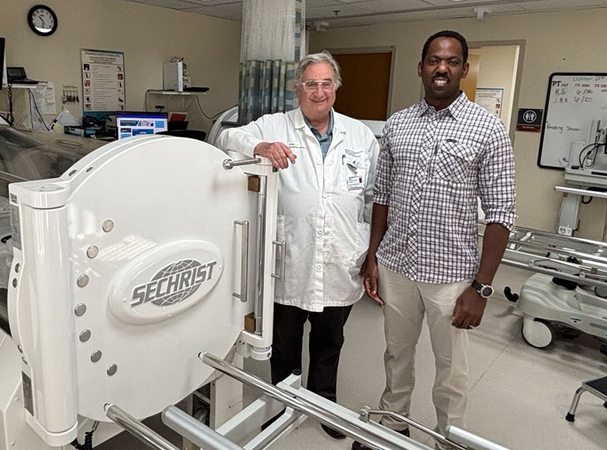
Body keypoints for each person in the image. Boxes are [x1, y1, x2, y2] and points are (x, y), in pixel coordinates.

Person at [353, 30, 516, 449]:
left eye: (452, 61)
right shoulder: (397, 125)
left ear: (463, 68)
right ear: (421, 66)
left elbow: (501, 215)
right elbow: (383, 197)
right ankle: (393, 424)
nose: (441, 68)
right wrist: (373, 257)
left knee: (451, 371)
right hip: (397, 266)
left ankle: (450, 440)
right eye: (434, 60)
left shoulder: (488, 130)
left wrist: (480, 287)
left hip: (451, 276)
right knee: (396, 356)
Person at [218, 51, 378, 440]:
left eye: (326, 83)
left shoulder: (360, 135)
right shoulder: (276, 125)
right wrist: (260, 147)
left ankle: (324, 403)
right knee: (285, 344)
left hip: (341, 257)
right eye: (311, 84)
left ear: (336, 87)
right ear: (297, 89)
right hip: (289, 258)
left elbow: (372, 198)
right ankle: (283, 404)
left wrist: (371, 254)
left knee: (330, 341)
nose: (319, 92)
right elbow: (226, 137)